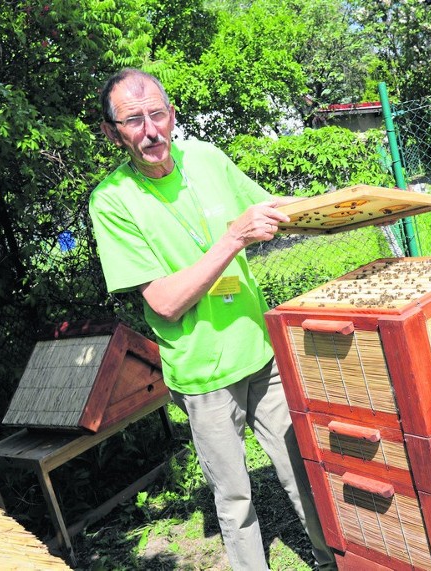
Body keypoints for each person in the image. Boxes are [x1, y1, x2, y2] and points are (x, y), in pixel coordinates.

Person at [88, 68, 336, 570]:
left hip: (258, 350)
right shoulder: (112, 201)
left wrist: (347, 204)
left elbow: (269, 208)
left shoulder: (205, 157)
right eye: (133, 121)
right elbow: (163, 302)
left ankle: (333, 560)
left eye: (157, 114)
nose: (151, 130)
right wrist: (232, 239)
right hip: (202, 375)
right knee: (236, 498)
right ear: (113, 132)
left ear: (172, 113)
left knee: (303, 473)